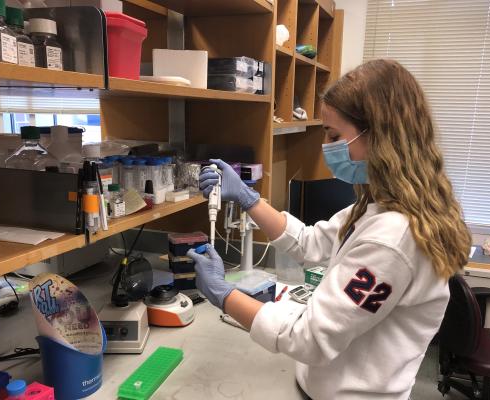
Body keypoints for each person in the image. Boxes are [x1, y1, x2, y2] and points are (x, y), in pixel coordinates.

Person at [186, 59, 472, 400]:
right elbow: (311, 242)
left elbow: (310, 338)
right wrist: (249, 199)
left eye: (335, 136)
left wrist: (223, 295)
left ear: (381, 136)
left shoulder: (393, 238)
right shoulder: (378, 204)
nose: (326, 148)